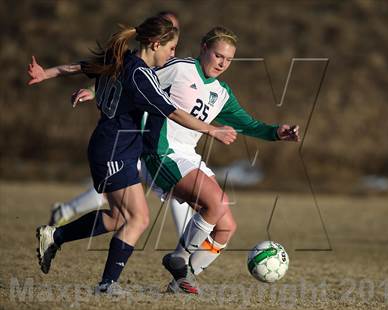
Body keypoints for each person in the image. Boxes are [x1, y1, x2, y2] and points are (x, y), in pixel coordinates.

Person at [36, 26, 300, 294]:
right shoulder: (179, 68)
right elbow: (130, 77)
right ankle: (179, 261)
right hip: (161, 153)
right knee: (215, 202)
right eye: (218, 55)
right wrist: (94, 90)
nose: (223, 63)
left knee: (225, 227)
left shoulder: (221, 93)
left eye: (229, 59)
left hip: (188, 156)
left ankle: (182, 279)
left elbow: (249, 124)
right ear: (203, 49)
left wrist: (275, 132)